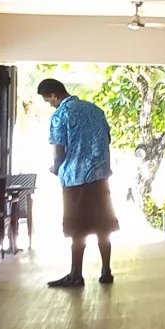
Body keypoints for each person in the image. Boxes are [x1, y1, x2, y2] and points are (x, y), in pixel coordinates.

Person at [38, 78, 117, 287]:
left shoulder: (60, 115)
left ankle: (76, 275)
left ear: (54, 95)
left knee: (77, 227)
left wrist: (56, 167)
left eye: (48, 100)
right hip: (99, 176)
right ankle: (106, 271)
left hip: (75, 178)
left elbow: (59, 149)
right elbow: (107, 139)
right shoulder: (95, 110)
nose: (50, 105)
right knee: (102, 225)